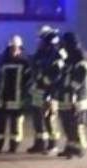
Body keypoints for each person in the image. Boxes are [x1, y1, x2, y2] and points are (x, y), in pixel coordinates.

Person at [27, 25, 65, 155]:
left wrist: (47, 86)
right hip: (39, 90)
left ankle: (53, 145)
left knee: (50, 117)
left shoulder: (58, 54)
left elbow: (58, 74)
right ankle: (40, 144)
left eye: (41, 39)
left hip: (52, 92)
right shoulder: (40, 53)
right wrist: (34, 83)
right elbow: (36, 70)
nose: (39, 41)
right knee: (37, 117)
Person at [57, 32, 87, 159]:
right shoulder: (70, 57)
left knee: (78, 124)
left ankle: (80, 147)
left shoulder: (82, 57)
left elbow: (79, 77)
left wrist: (73, 92)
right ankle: (70, 147)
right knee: (67, 124)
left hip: (79, 97)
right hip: (66, 96)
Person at [0, 34, 29, 154]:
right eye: (12, 48)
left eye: (16, 48)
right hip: (3, 98)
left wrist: (25, 97)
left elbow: (28, 81)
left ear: (20, 49)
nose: (14, 51)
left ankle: (14, 146)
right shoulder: (3, 62)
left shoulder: (25, 63)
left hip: (18, 98)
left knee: (16, 124)